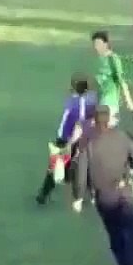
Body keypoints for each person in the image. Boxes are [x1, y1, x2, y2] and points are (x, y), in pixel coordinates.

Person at [73, 106, 133, 265]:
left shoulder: (88, 144)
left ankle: (126, 264)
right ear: (109, 120)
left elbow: (81, 175)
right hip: (124, 191)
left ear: (94, 121)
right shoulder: (123, 136)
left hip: (104, 197)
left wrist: (78, 197)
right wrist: (131, 168)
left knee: (114, 231)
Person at [36, 75, 97, 206]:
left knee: (58, 166)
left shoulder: (73, 103)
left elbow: (77, 125)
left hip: (67, 139)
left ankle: (44, 194)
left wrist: (69, 144)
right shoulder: (86, 101)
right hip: (73, 139)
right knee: (82, 166)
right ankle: (92, 194)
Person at [91, 31, 133, 127]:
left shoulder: (113, 59)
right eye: (94, 44)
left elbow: (121, 80)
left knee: (101, 129)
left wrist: (128, 100)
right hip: (100, 100)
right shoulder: (98, 60)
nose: (96, 47)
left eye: (98, 44)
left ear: (106, 44)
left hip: (110, 101)